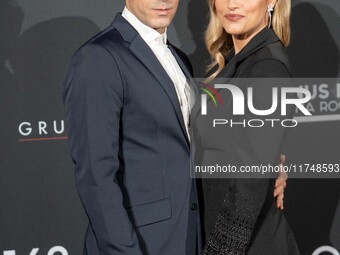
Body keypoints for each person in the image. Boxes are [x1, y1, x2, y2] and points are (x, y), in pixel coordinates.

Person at [63, 0, 287, 254]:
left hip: (191, 238)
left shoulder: (179, 59)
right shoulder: (98, 57)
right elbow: (96, 178)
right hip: (142, 245)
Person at [200, 0, 300, 254]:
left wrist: (222, 251)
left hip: (251, 244)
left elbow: (249, 183)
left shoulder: (267, 67)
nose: (233, 4)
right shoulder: (241, 62)